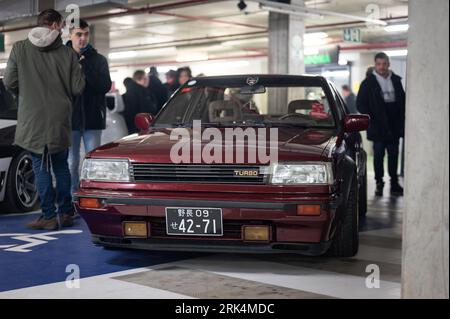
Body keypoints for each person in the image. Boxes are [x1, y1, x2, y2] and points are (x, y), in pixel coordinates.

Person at [3, 9, 85, 230]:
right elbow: (78, 87)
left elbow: (9, 81)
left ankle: (48, 216)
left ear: (39, 24)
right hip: (59, 119)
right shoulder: (68, 54)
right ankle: (66, 213)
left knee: (40, 168)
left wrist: (27, 94)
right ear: (57, 25)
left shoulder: (20, 48)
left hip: (32, 119)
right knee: (61, 167)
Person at [67, 19, 112, 194]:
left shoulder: (99, 60)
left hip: (93, 119)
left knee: (92, 162)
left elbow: (104, 86)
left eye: (86, 34)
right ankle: (72, 199)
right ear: (70, 35)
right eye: (79, 34)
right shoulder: (63, 58)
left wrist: (85, 67)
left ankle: (91, 197)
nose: (83, 38)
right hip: (70, 119)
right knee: (72, 162)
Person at [357, 52, 406, 197]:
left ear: (388, 64)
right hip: (377, 126)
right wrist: (372, 117)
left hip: (393, 126)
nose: (382, 67)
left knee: (393, 155)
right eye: (379, 64)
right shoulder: (367, 83)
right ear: (375, 65)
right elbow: (360, 104)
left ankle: (394, 183)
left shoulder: (396, 80)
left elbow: (402, 101)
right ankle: (379, 183)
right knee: (378, 156)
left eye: (384, 64)